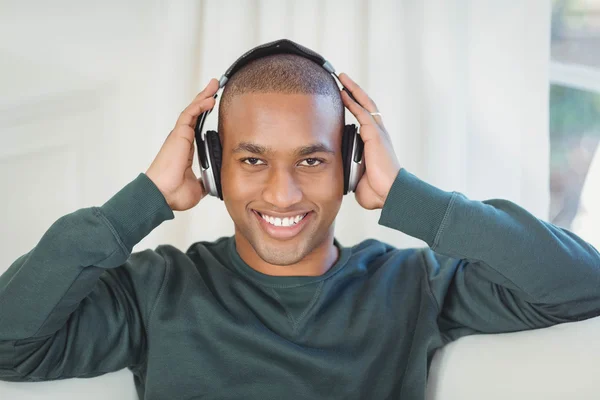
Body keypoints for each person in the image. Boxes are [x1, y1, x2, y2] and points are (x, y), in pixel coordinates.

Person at [1, 41, 599, 400]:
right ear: (211, 166)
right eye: (252, 159)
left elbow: (582, 283)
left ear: (351, 163)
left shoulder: (414, 285)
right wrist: (146, 197)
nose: (282, 193)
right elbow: (8, 343)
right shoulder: (154, 289)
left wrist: (409, 197)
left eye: (312, 159)